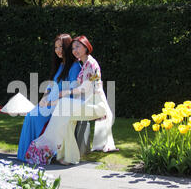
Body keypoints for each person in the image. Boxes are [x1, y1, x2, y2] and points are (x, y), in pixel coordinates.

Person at [25, 35, 118, 165]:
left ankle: (46, 146)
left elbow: (86, 88)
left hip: (95, 104)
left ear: (86, 47)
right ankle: (66, 156)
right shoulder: (84, 64)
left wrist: (64, 93)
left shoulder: (91, 64)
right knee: (66, 119)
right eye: (73, 48)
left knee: (64, 106)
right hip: (85, 103)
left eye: (78, 47)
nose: (75, 50)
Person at [17, 33, 81, 162]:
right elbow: (51, 85)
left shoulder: (74, 67)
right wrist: (44, 98)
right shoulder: (61, 65)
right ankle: (27, 154)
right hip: (49, 102)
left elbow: (73, 93)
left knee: (34, 117)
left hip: (61, 105)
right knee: (30, 115)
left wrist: (50, 103)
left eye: (61, 47)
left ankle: (39, 153)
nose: (58, 50)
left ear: (67, 47)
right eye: (56, 47)